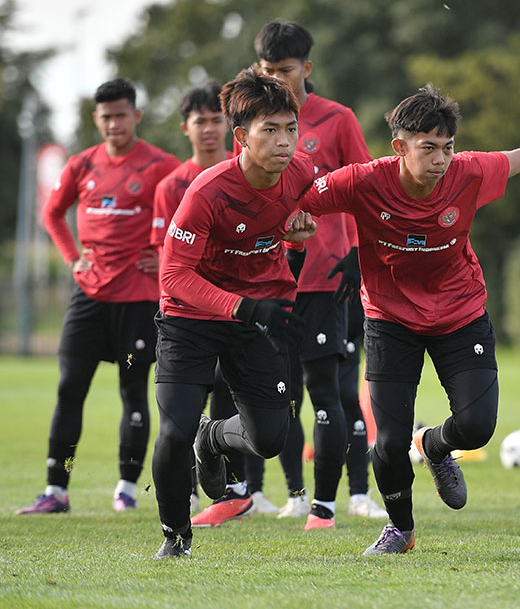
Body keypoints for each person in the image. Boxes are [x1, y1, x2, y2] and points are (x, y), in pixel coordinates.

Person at [299, 84, 520, 554]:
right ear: (400, 147)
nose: (440, 159)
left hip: (459, 312)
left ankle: (432, 445)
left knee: (476, 427)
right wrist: (292, 226)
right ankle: (400, 530)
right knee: (388, 444)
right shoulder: (362, 181)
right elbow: (300, 198)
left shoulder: (468, 172)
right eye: (427, 147)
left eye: (447, 147)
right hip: (390, 318)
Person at [150, 66, 317, 559]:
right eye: (271, 130)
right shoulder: (206, 191)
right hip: (191, 319)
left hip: (257, 318)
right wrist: (243, 307)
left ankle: (214, 437)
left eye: (291, 128)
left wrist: (297, 238)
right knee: (174, 430)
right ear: (240, 136)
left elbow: (303, 215)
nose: (285, 141)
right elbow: (173, 277)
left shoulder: (301, 174)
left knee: (269, 439)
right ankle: (176, 536)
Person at [231, 19, 386, 527]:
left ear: (307, 68)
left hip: (326, 278)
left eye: (287, 70)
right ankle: (294, 493)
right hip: (266, 281)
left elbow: (368, 190)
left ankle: (333, 502)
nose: (278, 78)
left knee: (331, 391)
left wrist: (362, 256)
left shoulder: (337, 120)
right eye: (269, 70)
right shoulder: (254, 125)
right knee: (279, 393)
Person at [18, 79, 180, 515]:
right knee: (70, 389)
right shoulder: (81, 164)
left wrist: (161, 255)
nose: (113, 124)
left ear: (136, 116)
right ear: (96, 119)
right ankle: (57, 488)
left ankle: (126, 487)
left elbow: (187, 214)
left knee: (133, 392)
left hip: (137, 303)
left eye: (121, 115)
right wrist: (72, 258)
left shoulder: (160, 165)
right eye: (105, 116)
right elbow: (51, 213)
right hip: (88, 301)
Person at [150, 81, 250, 522]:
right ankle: (184, 496)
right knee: (181, 414)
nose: (209, 129)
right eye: (200, 121)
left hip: (236, 312)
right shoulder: (172, 185)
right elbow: (166, 259)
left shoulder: (248, 173)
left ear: (230, 126)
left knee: (244, 408)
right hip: (188, 315)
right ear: (185, 128)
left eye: (216, 120)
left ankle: (239, 492)